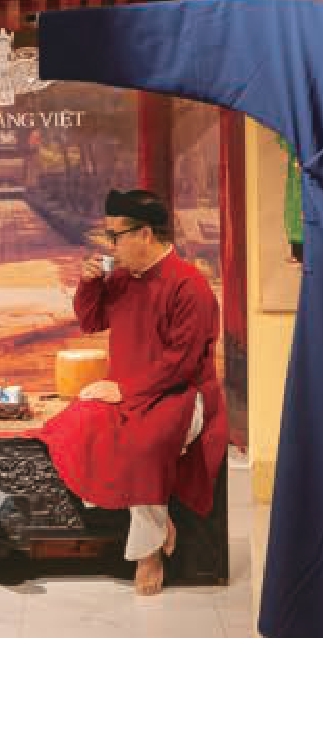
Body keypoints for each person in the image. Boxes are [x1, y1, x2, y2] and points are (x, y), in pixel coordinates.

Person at [42, 189, 228, 596]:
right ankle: (158, 522)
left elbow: (181, 363)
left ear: (145, 234)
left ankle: (148, 550)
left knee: (144, 445)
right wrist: (89, 284)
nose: (110, 245)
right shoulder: (124, 279)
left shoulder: (190, 285)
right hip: (129, 392)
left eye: (116, 236)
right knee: (77, 423)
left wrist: (124, 389)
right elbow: (91, 321)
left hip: (180, 395)